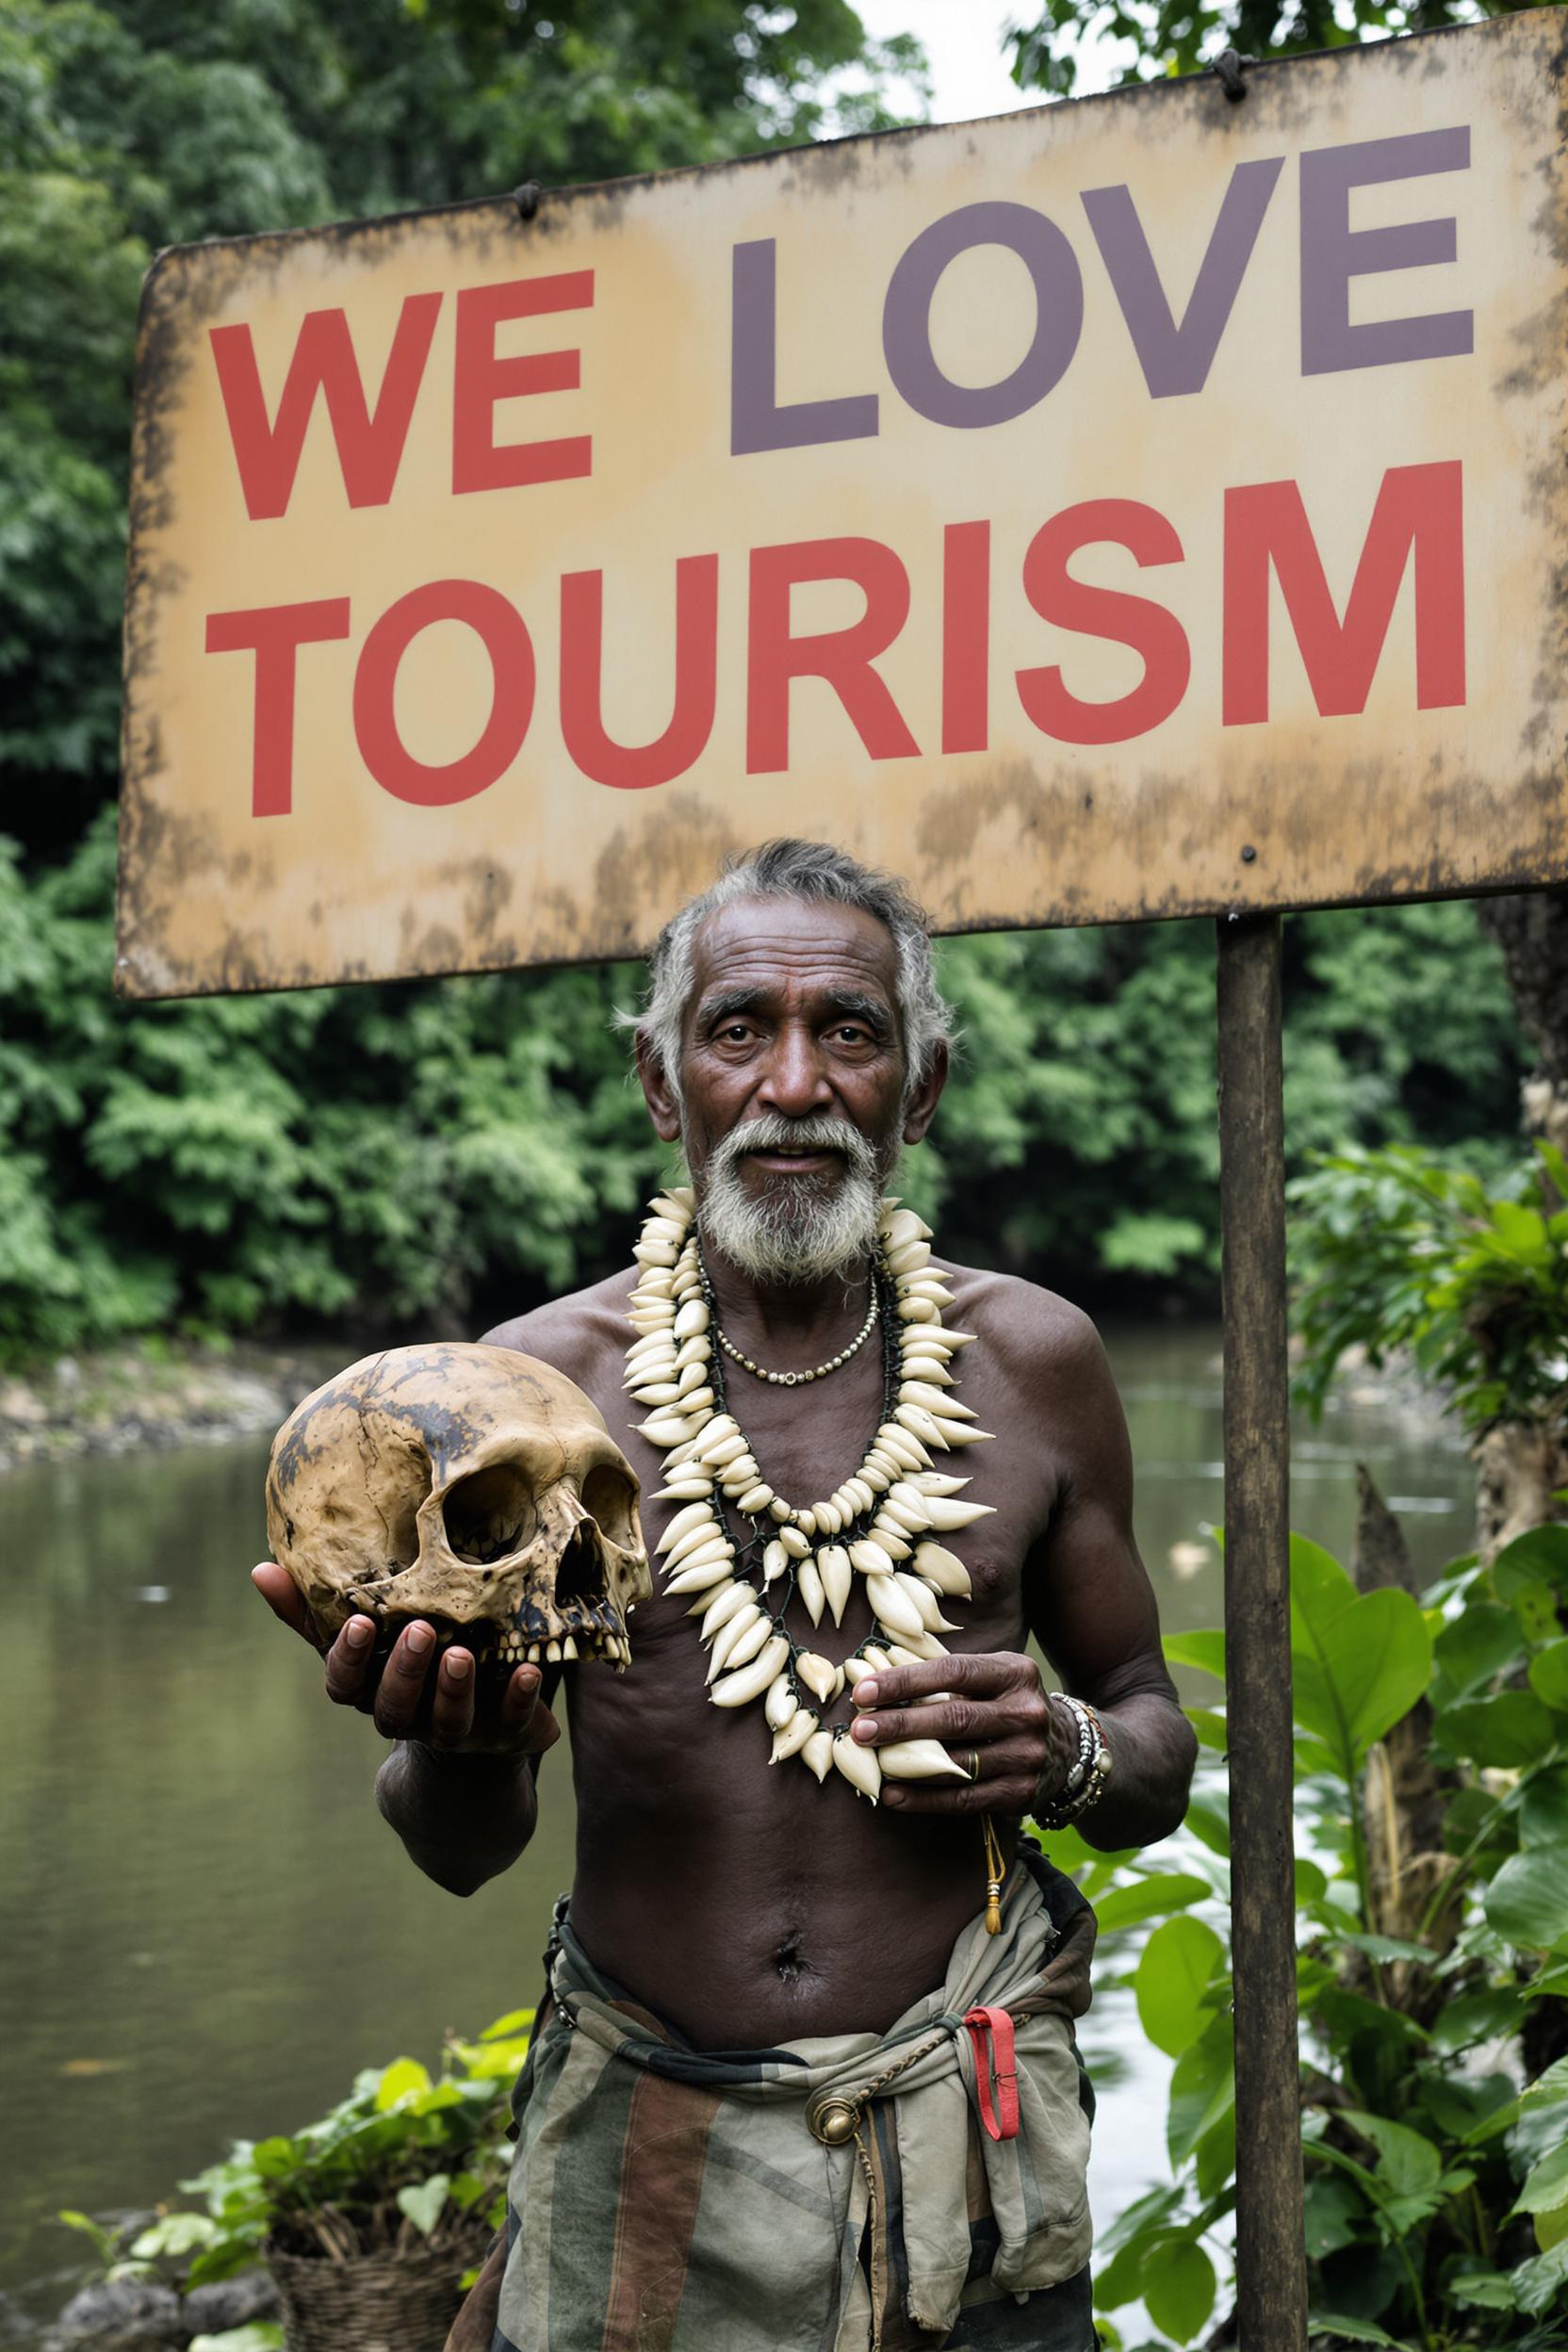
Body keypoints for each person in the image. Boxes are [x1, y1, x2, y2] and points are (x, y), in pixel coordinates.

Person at [254, 839, 1197, 2352]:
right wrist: (458, 1748)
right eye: (739, 1028)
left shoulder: (1035, 1365)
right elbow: (458, 1853)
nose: (796, 1083)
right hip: (642, 2137)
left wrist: (1072, 1749)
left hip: (965, 2140)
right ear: (660, 1079)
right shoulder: (524, 1402)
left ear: (924, 1087)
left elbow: (1155, 1741)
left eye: (853, 1032)